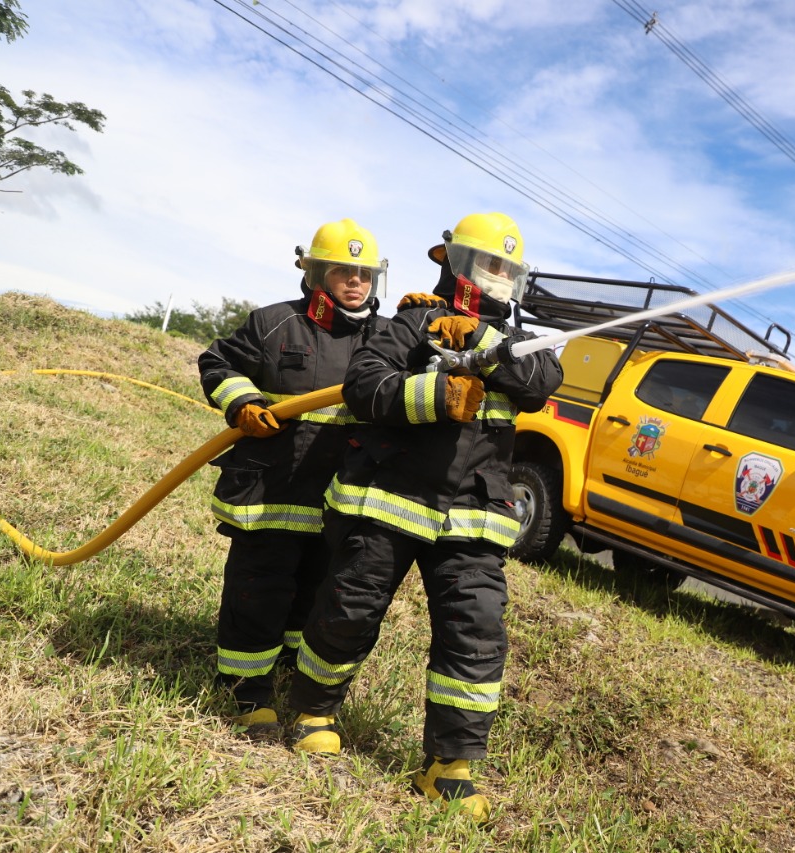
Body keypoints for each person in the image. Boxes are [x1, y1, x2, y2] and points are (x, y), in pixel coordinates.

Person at [287, 212, 563, 821]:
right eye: (491, 264)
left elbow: (542, 382)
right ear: (456, 263)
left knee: (476, 633)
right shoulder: (412, 321)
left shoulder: (520, 344)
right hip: (389, 501)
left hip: (473, 517)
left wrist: (484, 345)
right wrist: (437, 394)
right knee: (349, 608)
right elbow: (364, 385)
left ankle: (451, 766)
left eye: (509, 270)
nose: (500, 279)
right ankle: (314, 709)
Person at [198, 218, 389, 738]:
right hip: (273, 490)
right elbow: (217, 363)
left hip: (339, 498)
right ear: (315, 273)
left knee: (315, 594)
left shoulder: (386, 338)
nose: (356, 282)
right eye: (343, 271)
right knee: (259, 588)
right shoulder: (274, 323)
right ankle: (246, 692)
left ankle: (286, 671)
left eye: (365, 274)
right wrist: (242, 402)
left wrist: (430, 311)